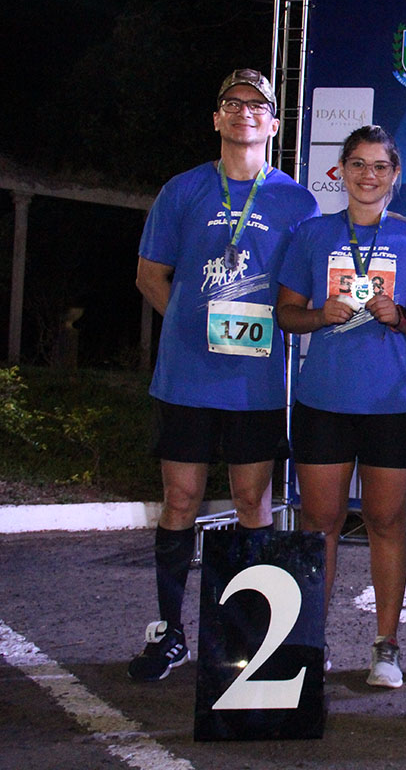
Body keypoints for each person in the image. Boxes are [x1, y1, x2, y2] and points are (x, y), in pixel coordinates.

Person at [130, 69, 320, 681]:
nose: (244, 112)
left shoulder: (297, 202)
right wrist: (193, 325)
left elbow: (300, 293)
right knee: (180, 499)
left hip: (255, 384)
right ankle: (170, 633)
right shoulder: (182, 190)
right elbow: (149, 275)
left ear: (274, 123)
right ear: (216, 118)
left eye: (256, 105)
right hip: (186, 378)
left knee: (251, 502)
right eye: (232, 104)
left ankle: (246, 641)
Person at [276, 125, 406, 688]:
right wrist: (318, 315)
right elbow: (285, 314)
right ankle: (308, 643)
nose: (368, 176)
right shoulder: (312, 233)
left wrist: (401, 317)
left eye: (380, 166)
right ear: (341, 171)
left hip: (391, 405)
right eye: (358, 165)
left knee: (386, 522)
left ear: (395, 175)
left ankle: (386, 646)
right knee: (318, 523)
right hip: (323, 401)